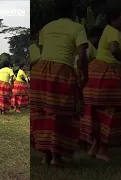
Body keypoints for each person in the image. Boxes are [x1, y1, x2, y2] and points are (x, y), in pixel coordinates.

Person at [30, 0, 89, 167]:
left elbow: (43, 52)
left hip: (40, 71)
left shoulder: (46, 28)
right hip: (61, 71)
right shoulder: (77, 28)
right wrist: (86, 74)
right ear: (73, 13)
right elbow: (82, 56)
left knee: (42, 112)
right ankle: (57, 157)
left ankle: (45, 156)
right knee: (62, 113)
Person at [81, 8, 121, 161]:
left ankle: (95, 147)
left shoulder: (109, 30)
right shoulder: (113, 31)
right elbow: (114, 50)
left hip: (97, 72)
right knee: (112, 112)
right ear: (113, 20)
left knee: (97, 112)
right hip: (108, 73)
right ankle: (103, 150)